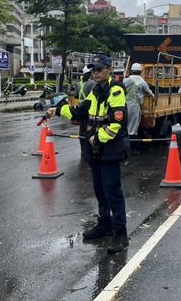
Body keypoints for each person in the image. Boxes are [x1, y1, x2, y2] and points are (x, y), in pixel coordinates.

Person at [45, 54, 131, 253]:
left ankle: (120, 233)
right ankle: (105, 224)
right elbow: (79, 112)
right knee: (100, 190)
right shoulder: (95, 92)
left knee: (112, 191)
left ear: (110, 69)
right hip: (96, 150)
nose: (95, 72)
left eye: (99, 69)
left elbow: (117, 122)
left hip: (109, 149)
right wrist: (57, 110)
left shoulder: (115, 90)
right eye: (92, 69)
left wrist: (98, 137)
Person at [123, 63, 154, 137]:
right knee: (133, 125)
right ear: (140, 71)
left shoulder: (125, 81)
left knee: (124, 124)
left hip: (124, 105)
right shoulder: (142, 82)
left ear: (131, 71)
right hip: (134, 106)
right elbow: (150, 93)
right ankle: (131, 142)